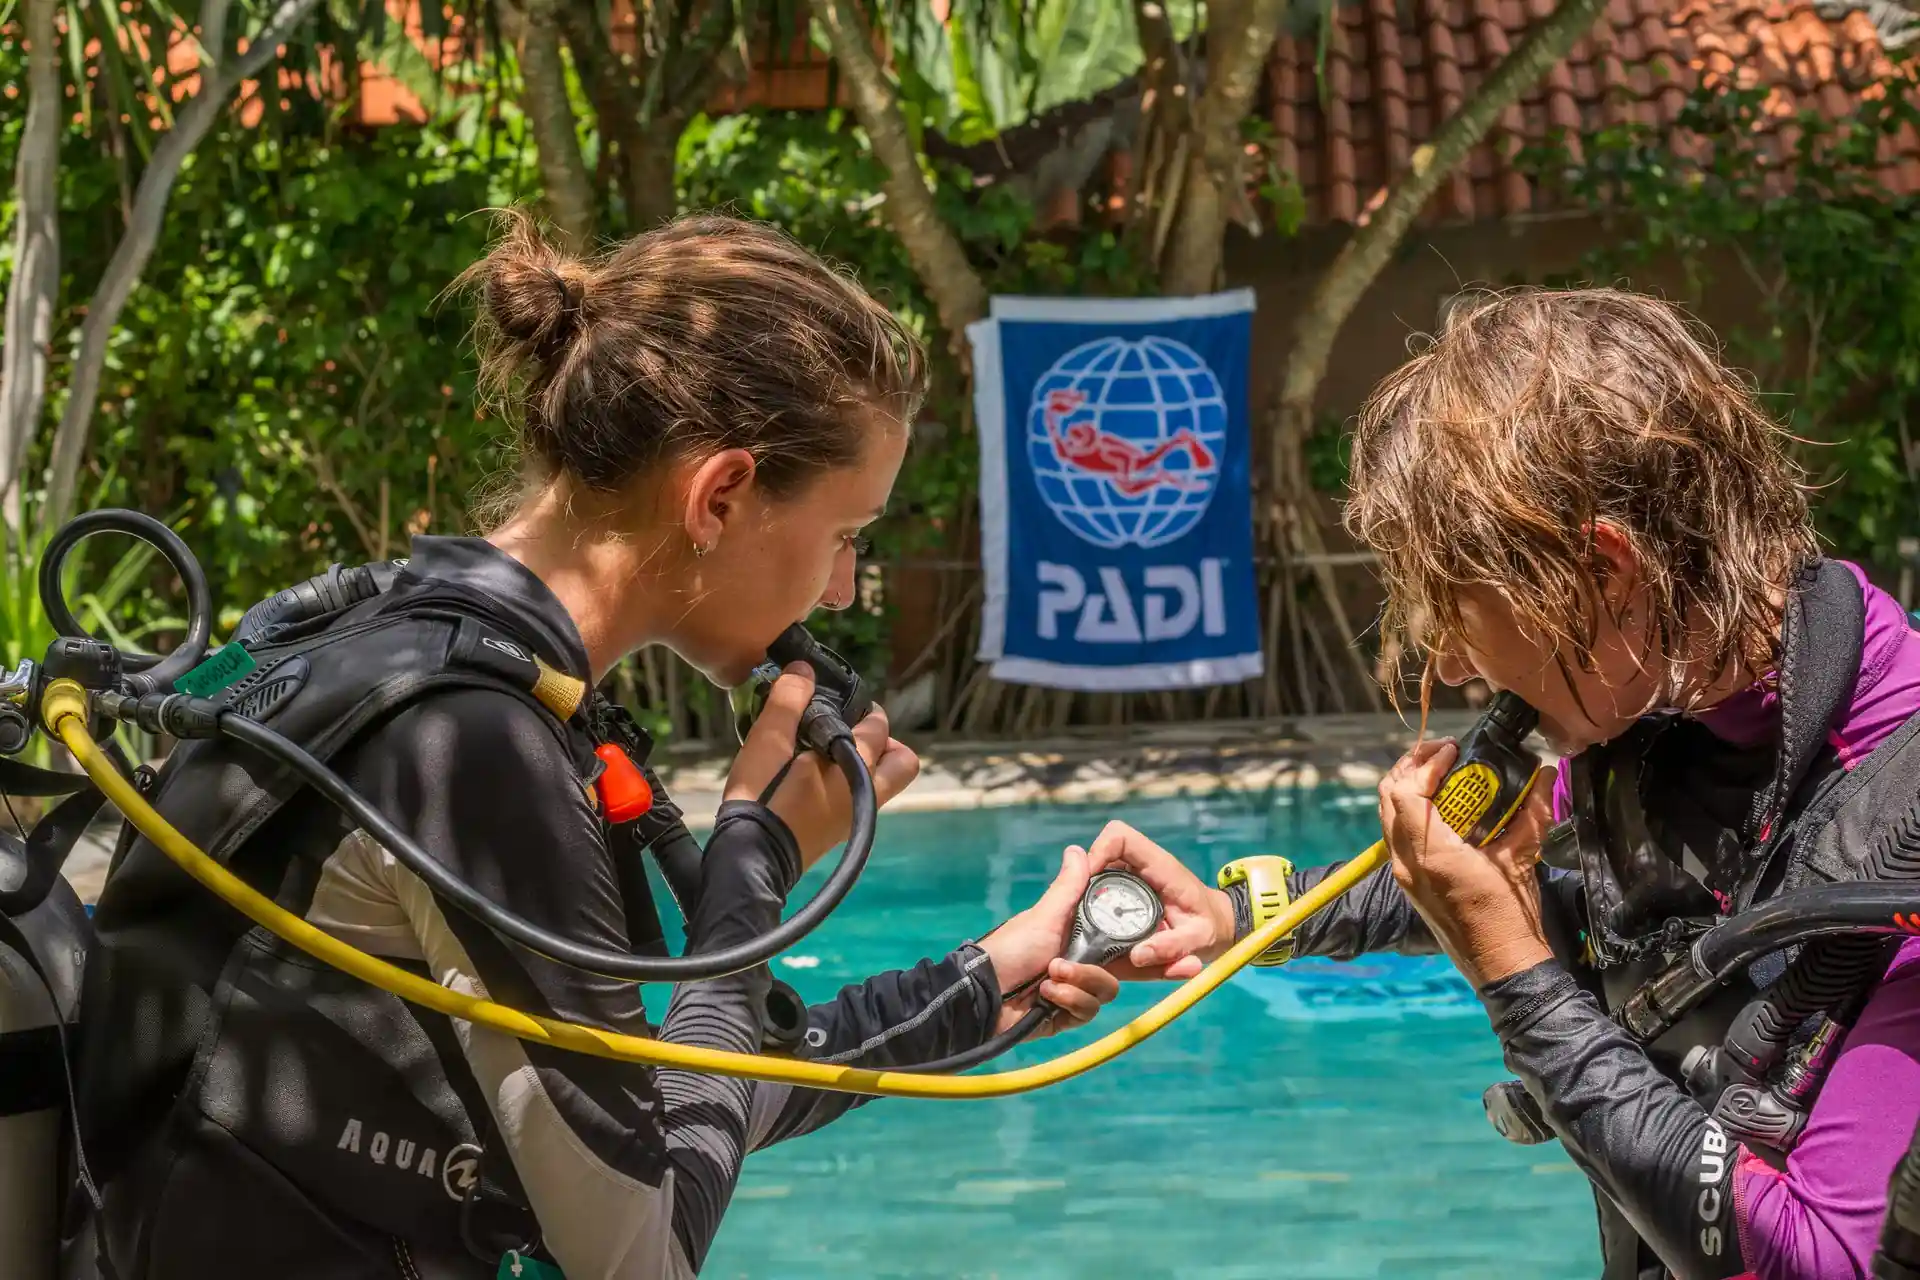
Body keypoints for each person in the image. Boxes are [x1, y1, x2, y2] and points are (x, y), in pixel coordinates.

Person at [63, 212, 1119, 1280]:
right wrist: (753, 860)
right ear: (720, 495)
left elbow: (656, 1105)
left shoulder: (403, 648)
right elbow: (640, 1250)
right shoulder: (472, 747)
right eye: (846, 535)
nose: (842, 588)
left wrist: (972, 994)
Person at [1087, 288, 1920, 1280]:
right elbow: (1504, 876)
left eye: (1459, 609)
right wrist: (1238, 915)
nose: (1448, 661)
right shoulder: (1664, 705)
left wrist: (1515, 977)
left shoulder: (1903, 829)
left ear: (1605, 570)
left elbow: (1827, 1260)